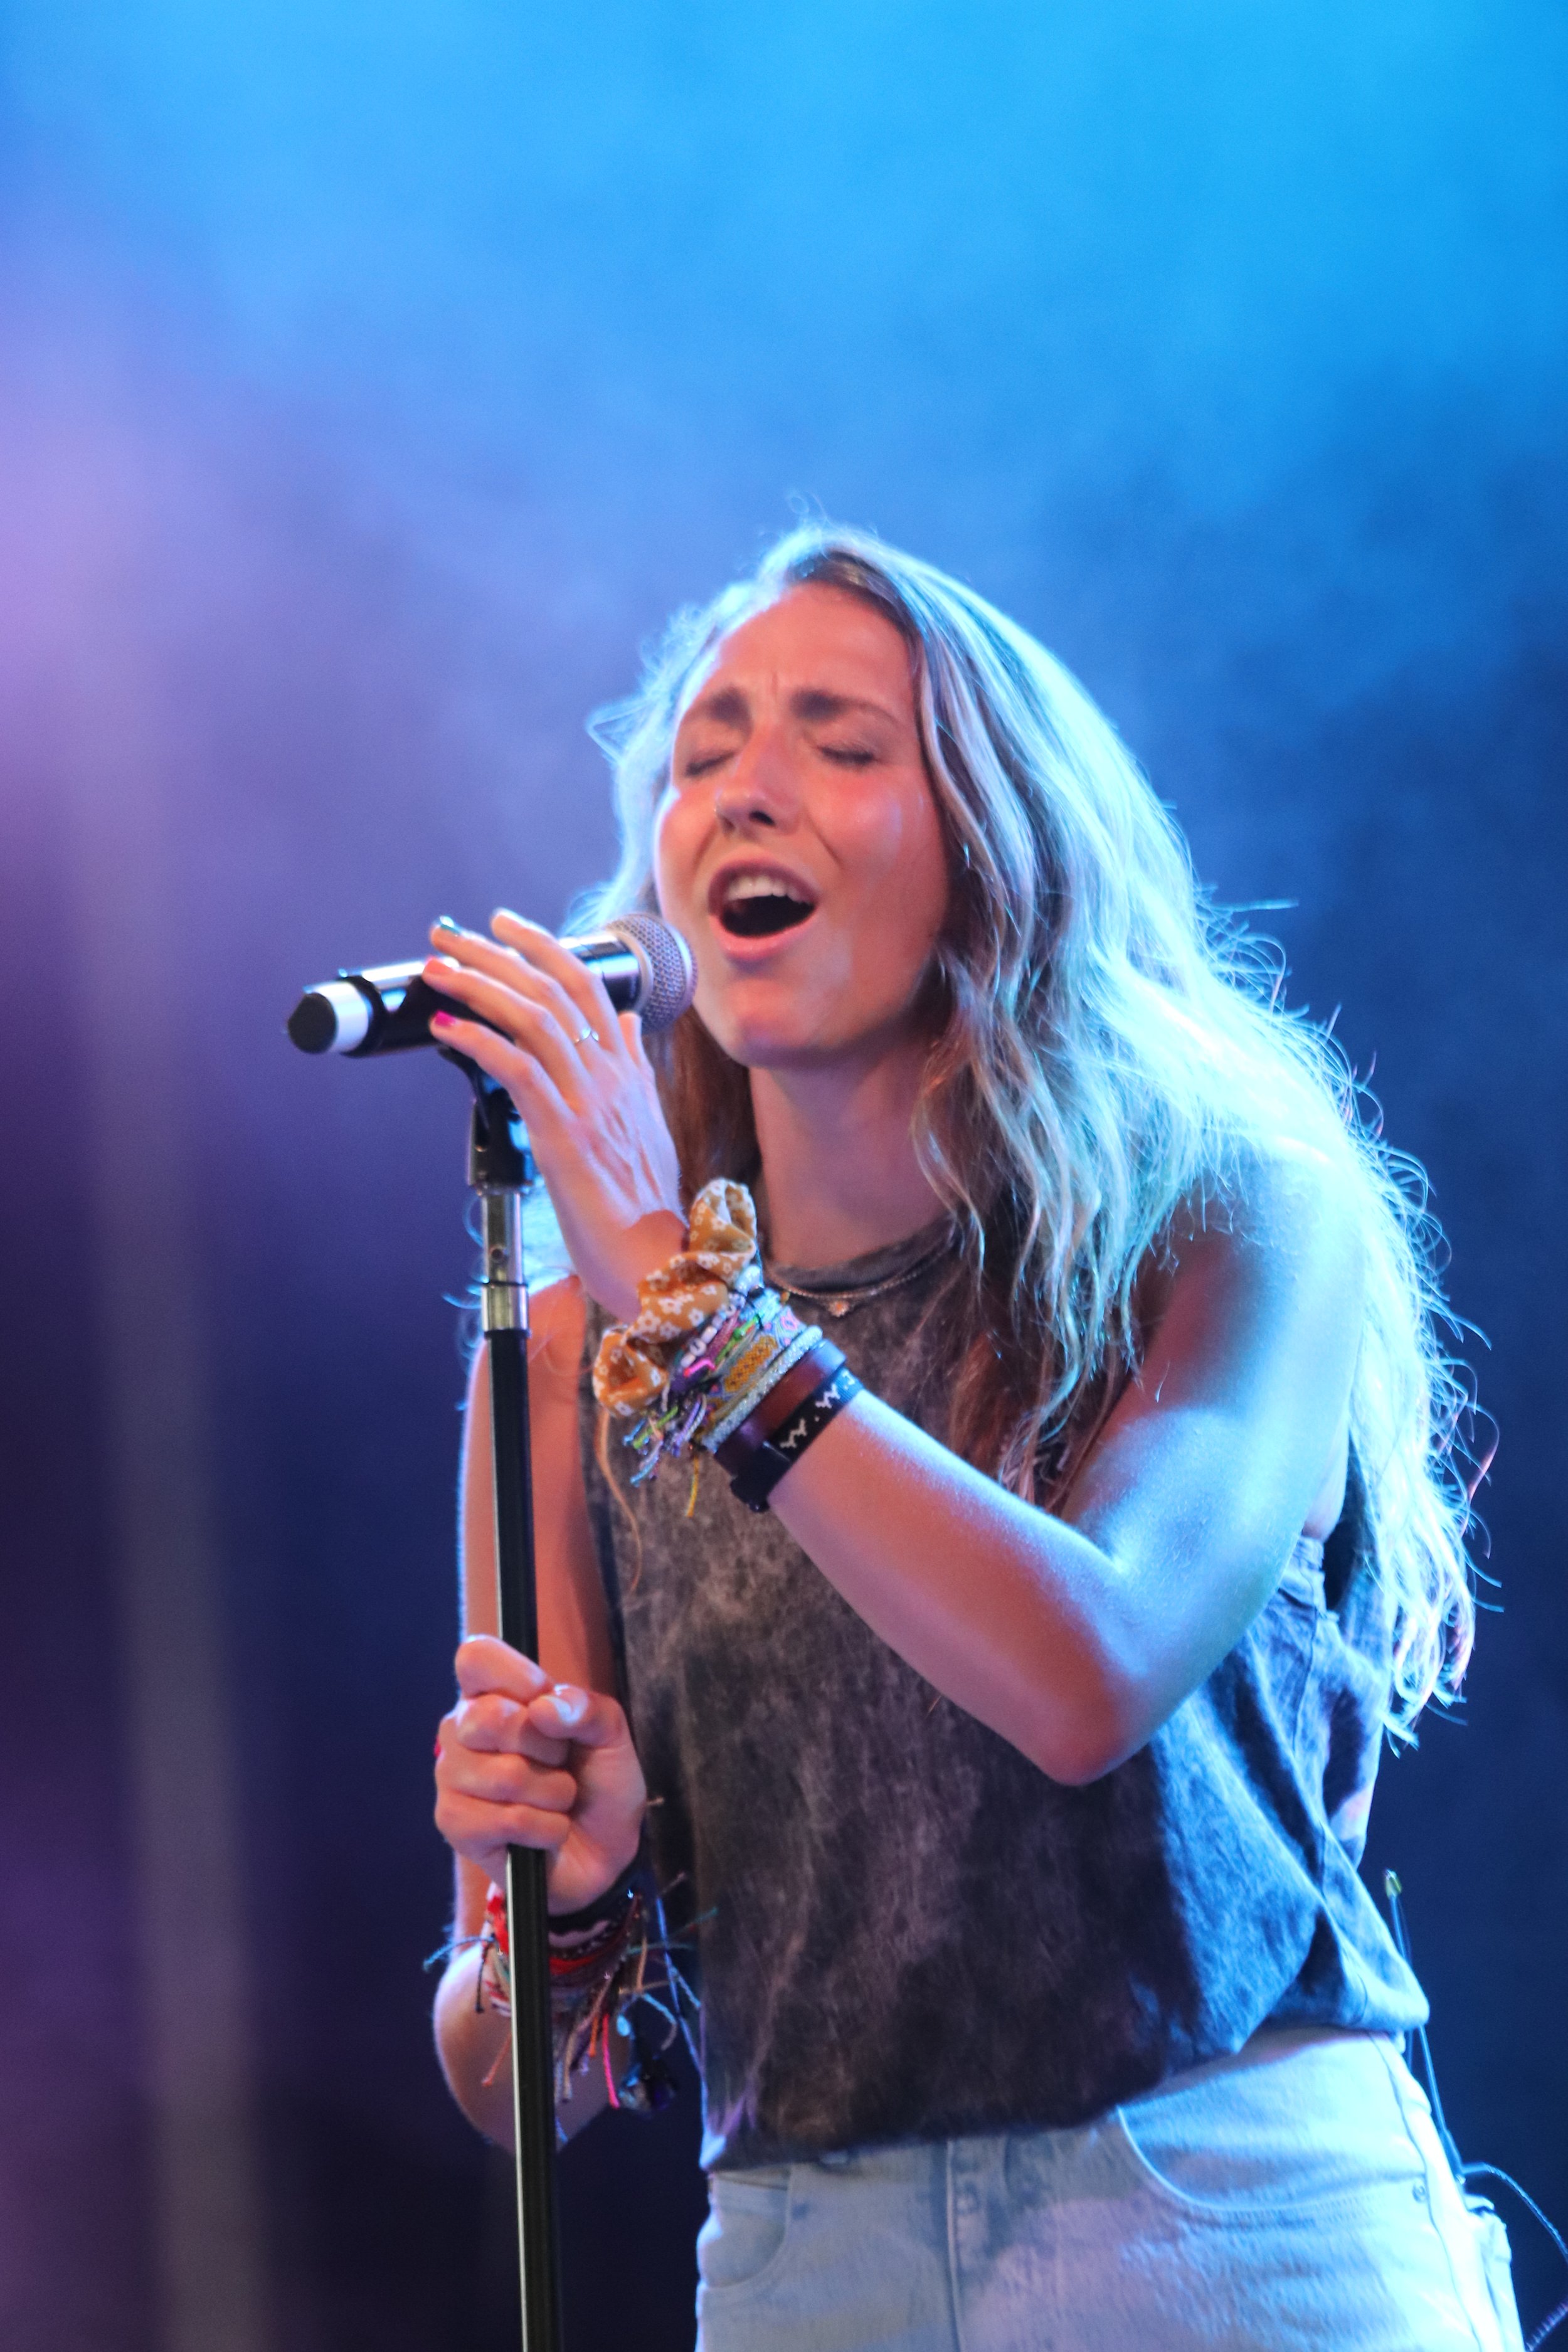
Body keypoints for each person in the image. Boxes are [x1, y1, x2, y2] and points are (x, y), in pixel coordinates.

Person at [425, 526, 1521, 2351]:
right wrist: (566, 1914)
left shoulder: (1229, 1210)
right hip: (805, 2262)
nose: (741, 793)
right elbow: (512, 2083)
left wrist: (691, 1301)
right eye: (701, 756)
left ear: (996, 848)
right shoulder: (568, 1353)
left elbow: (1087, 1673)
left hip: (1226, 2220)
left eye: (842, 744)